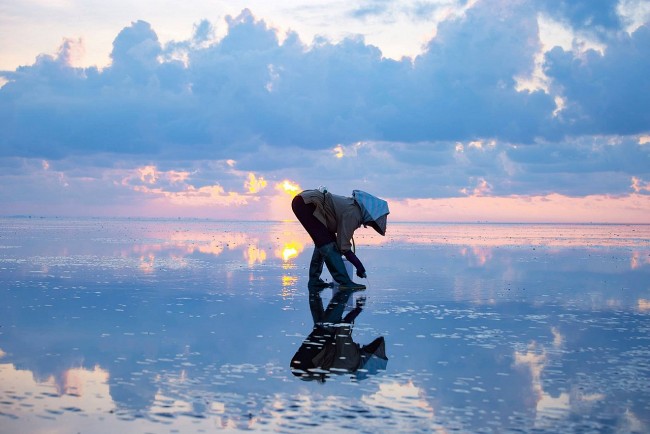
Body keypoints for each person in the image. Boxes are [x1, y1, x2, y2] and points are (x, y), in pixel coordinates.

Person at [291, 187, 390, 291]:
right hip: (307, 204)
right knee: (328, 246)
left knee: (323, 242)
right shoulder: (354, 214)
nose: (370, 224)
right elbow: (344, 247)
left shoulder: (354, 209)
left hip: (305, 201)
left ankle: (314, 281)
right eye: (372, 222)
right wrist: (359, 267)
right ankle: (345, 282)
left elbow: (340, 241)